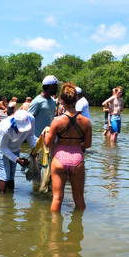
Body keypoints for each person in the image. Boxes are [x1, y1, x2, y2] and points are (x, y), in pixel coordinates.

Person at [44, 83, 92, 212]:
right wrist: (76, 147)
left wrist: (46, 134)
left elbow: (48, 144)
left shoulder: (57, 121)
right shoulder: (86, 122)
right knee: (79, 198)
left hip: (59, 158)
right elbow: (87, 144)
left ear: (62, 101)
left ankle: (55, 229)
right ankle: (78, 229)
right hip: (77, 159)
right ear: (76, 100)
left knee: (57, 198)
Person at [0, 110, 37, 194]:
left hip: (15, 146)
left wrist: (35, 150)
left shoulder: (32, 119)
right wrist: (17, 159)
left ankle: (10, 198)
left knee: (11, 176)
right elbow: (3, 147)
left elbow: (30, 136)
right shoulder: (5, 128)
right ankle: (2, 202)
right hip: (0, 147)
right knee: (4, 176)